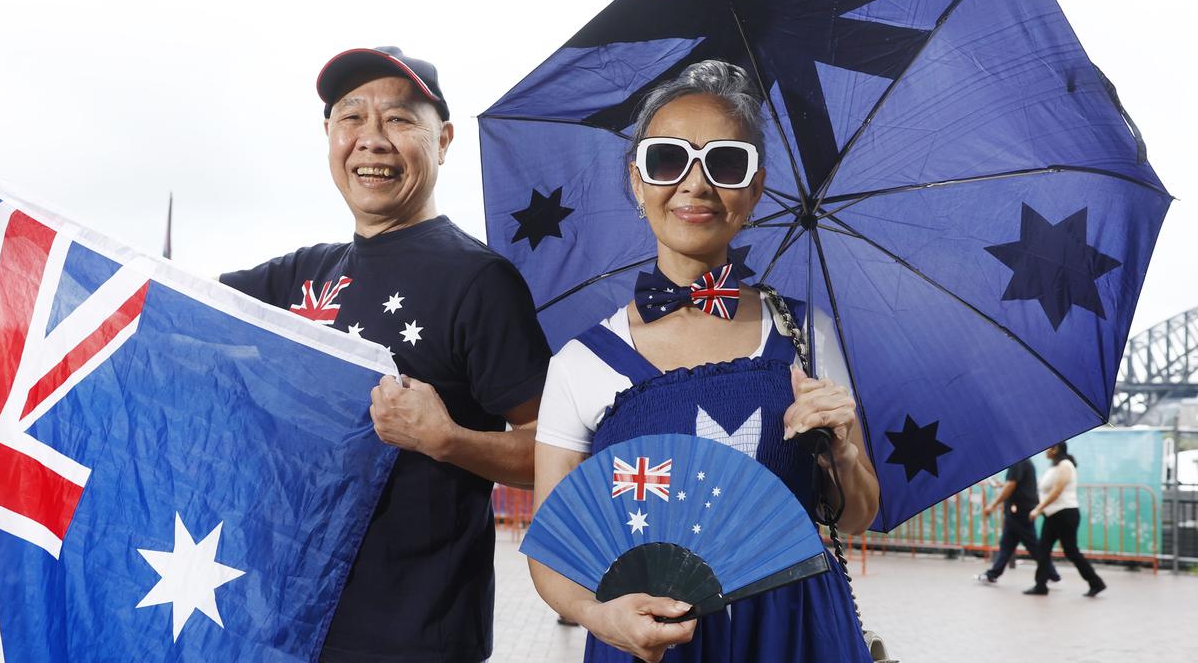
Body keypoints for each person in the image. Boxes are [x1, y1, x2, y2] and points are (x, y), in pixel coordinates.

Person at [527, 60, 879, 663]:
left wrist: (843, 451)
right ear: (637, 181)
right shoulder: (581, 362)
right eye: (668, 160)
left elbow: (858, 516)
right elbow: (550, 545)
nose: (695, 184)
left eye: (725, 162)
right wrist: (596, 616)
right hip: (647, 640)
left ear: (756, 186)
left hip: (794, 633)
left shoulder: (806, 335)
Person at [221, 46, 552, 662]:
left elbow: (553, 447)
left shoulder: (479, 280)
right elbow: (154, 298)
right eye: (352, 118)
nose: (372, 140)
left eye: (399, 120)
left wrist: (448, 438)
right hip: (292, 625)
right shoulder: (299, 275)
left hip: (416, 639)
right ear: (328, 135)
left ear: (443, 140)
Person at [1023, 442, 1107, 597]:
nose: (1044, 451)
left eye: (1047, 448)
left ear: (1055, 449)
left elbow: (1057, 491)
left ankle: (1096, 582)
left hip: (1065, 514)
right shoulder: (1054, 467)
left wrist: (1038, 509)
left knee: (1071, 551)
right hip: (1052, 515)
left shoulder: (1065, 465)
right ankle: (1040, 585)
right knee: (1043, 549)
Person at [977, 457, 1060, 584]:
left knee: (1032, 545)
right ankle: (992, 574)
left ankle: (1052, 574)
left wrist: (992, 505)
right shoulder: (1024, 461)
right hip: (1018, 510)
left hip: (1020, 511)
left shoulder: (1018, 461)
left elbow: (1012, 484)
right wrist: (1002, 485)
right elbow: (1017, 484)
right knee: (1007, 545)